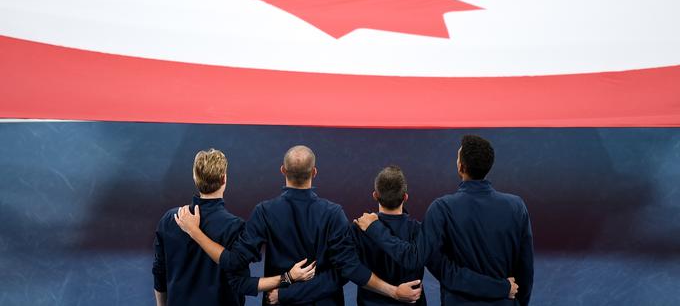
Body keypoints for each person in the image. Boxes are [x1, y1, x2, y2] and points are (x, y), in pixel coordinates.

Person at [174, 145, 422, 305]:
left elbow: (232, 262)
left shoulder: (264, 212)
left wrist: (286, 292)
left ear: (283, 170)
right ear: (314, 173)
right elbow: (343, 273)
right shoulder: (334, 214)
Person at [356, 135, 534, 305]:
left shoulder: (442, 209)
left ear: (461, 167)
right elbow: (525, 270)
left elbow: (437, 268)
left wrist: (375, 228)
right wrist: (506, 293)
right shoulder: (516, 207)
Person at [153, 148, 315, 306]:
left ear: (195, 178)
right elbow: (242, 283)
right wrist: (287, 278)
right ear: (224, 179)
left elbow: (159, 274)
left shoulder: (170, 219)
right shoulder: (235, 227)